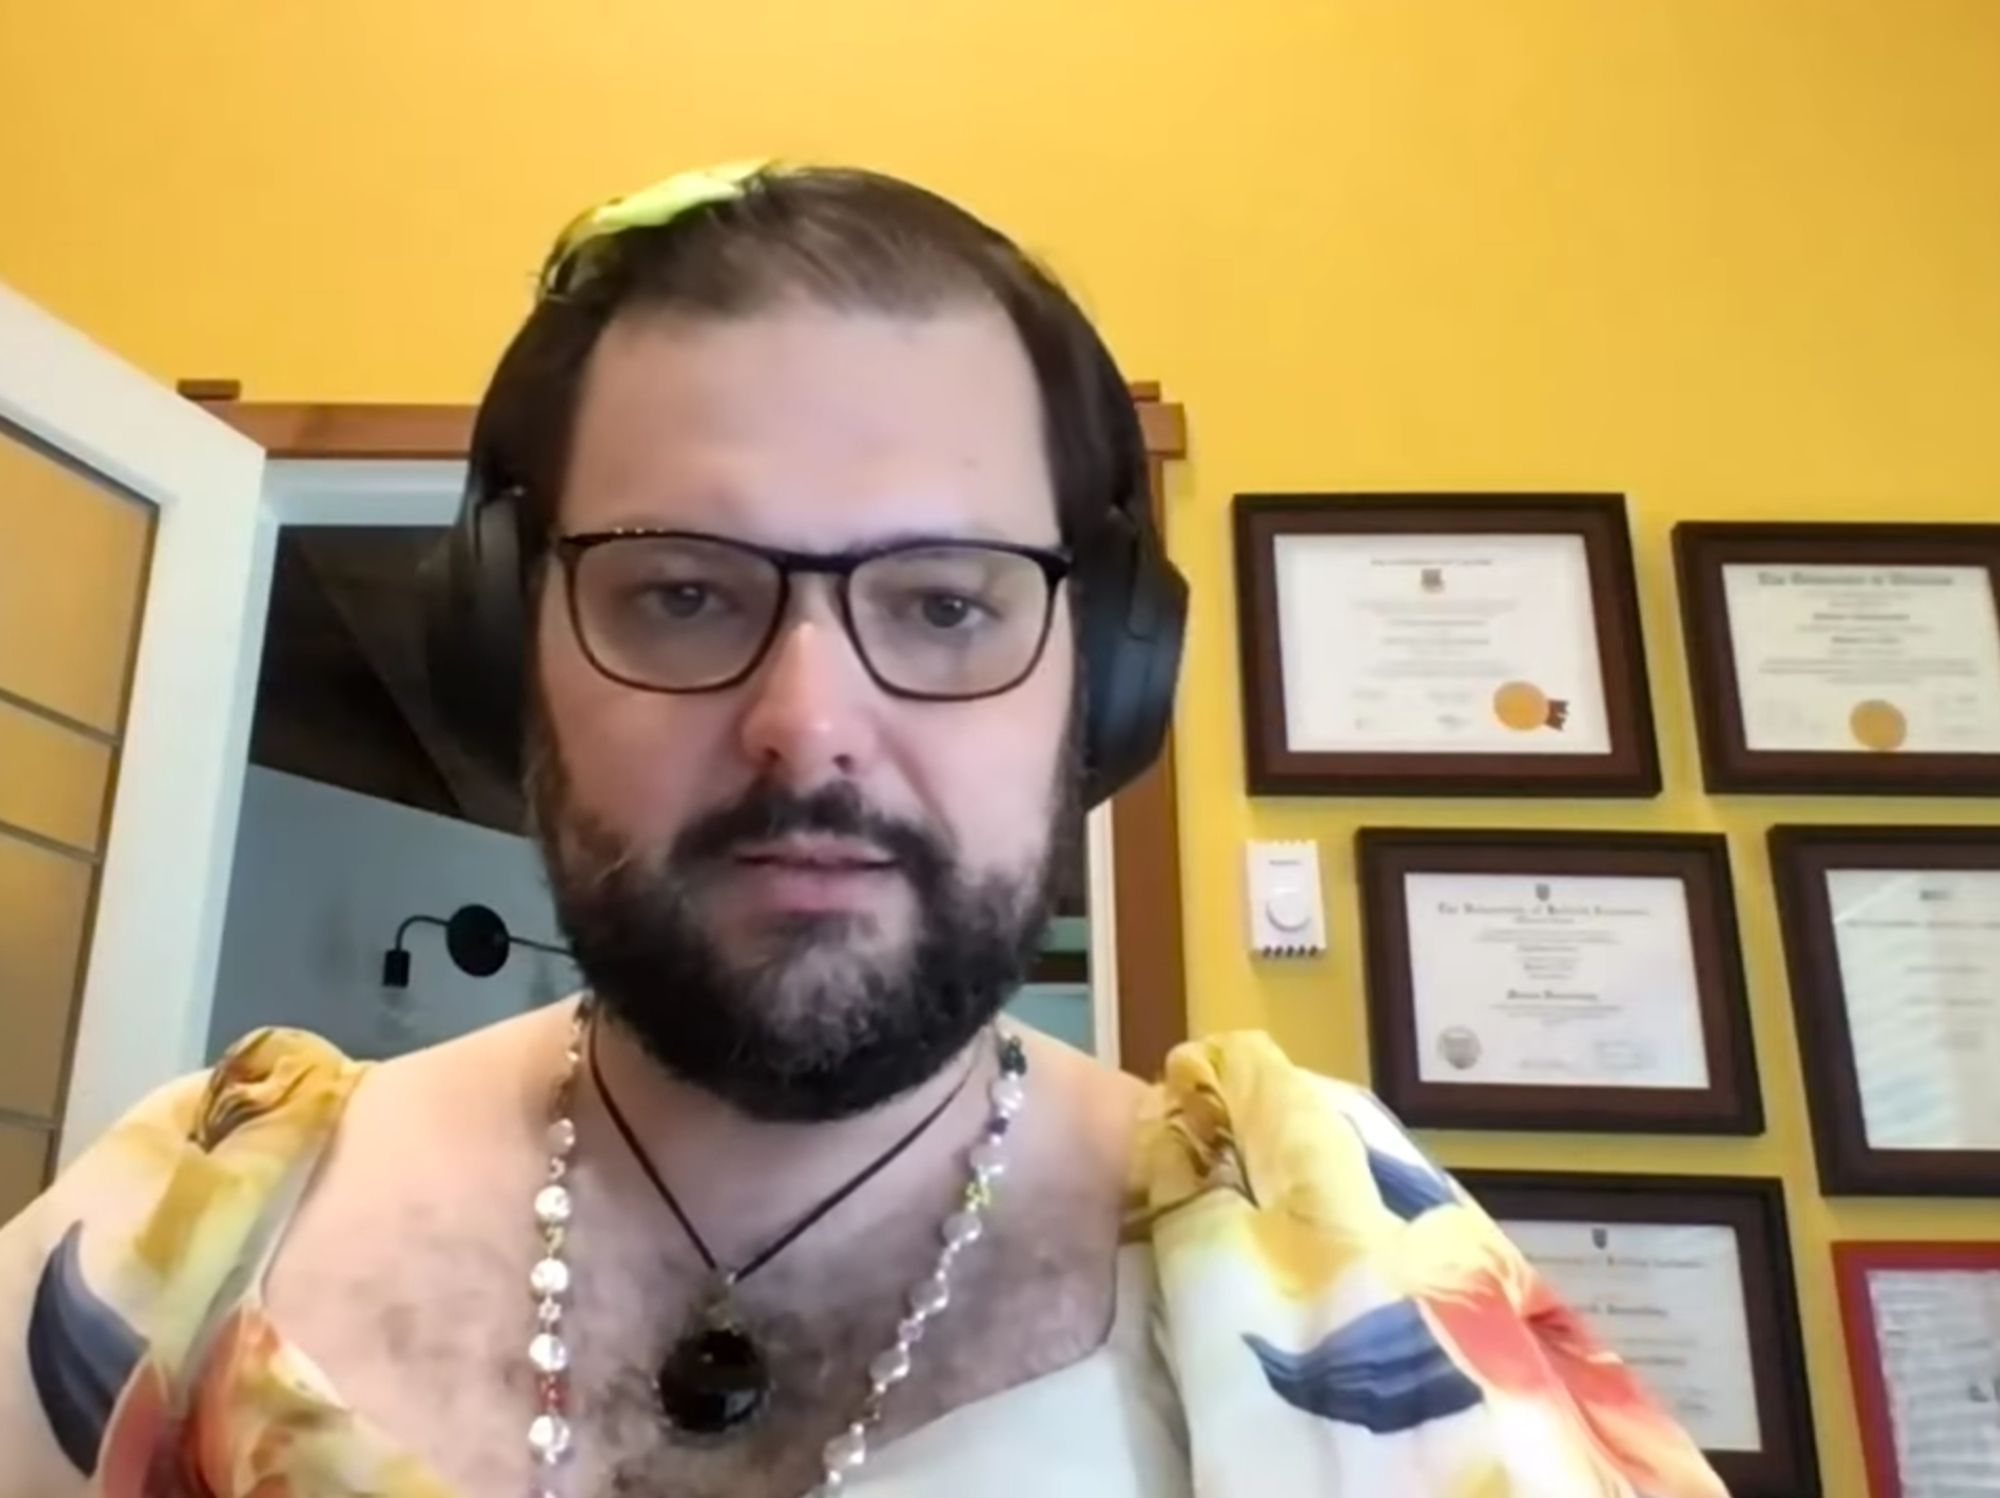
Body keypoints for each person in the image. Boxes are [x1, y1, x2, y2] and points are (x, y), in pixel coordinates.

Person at [0, 162, 1726, 1498]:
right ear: (504, 643)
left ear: (1102, 681)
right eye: (680, 592)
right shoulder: (196, 1214)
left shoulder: (1333, 1252)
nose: (808, 719)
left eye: (948, 603)